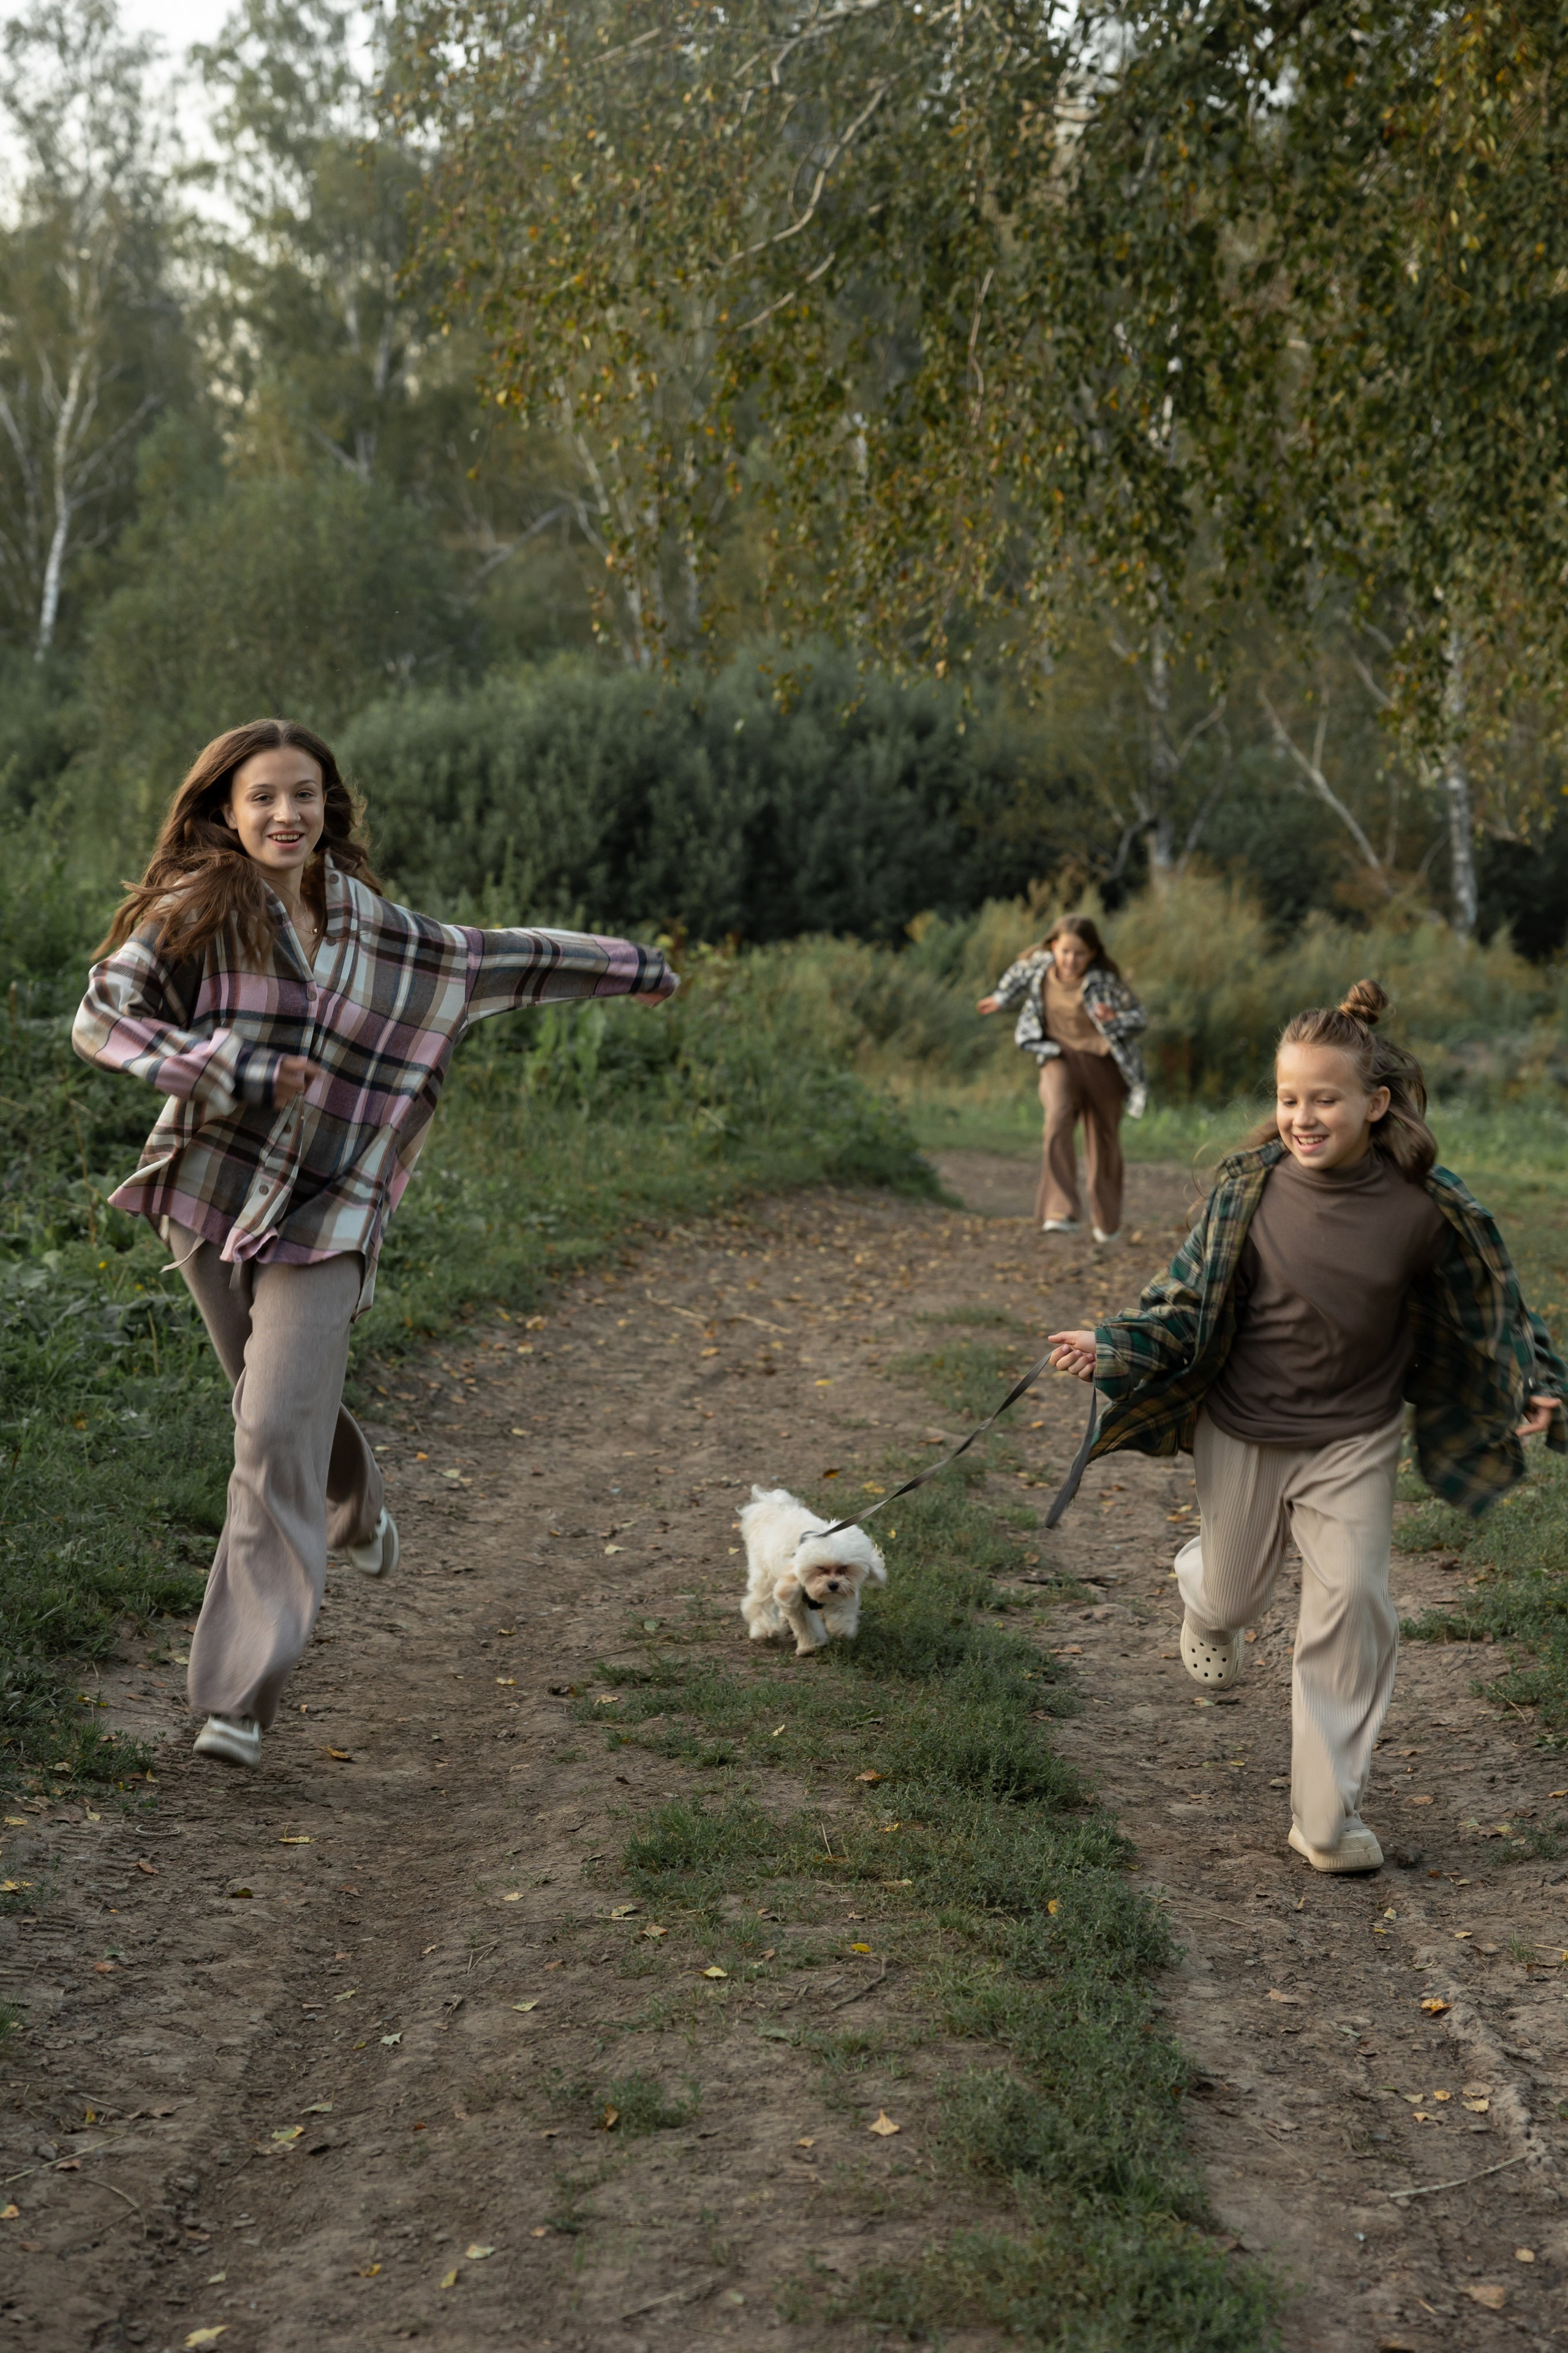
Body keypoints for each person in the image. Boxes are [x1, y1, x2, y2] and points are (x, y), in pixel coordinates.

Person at [73, 717, 677, 1773]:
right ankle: (354, 1506)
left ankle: (238, 1698)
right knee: (273, 1411)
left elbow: (503, 957)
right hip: (211, 1193)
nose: (284, 815)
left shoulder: (385, 935)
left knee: (268, 1427)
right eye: (261, 797)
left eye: (302, 794)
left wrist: (637, 967)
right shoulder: (195, 913)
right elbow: (101, 1017)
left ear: (329, 804)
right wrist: (227, 1068)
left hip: (334, 1207)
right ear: (226, 809)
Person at [1045, 981, 1564, 1875]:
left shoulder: (1428, 1207)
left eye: (1325, 1098)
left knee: (1355, 1601)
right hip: (1243, 1430)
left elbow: (1498, 1308)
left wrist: (1533, 1380)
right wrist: (1115, 1343)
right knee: (1234, 1600)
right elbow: (1181, 1297)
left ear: (1376, 1103)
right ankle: (1203, 1586)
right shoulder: (1250, 1191)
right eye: (1290, 1099)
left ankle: (1324, 1820)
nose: (1304, 1116)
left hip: (1353, 1439)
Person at [976, 913, 1148, 1244]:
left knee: (1103, 1141)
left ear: (1093, 953)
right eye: (1066, 951)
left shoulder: (1104, 982)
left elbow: (1139, 1018)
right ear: (1053, 946)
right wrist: (1000, 999)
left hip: (1103, 1064)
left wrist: (1116, 1019)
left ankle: (1106, 1223)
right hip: (1058, 1057)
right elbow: (1014, 979)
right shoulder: (1039, 968)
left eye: (1080, 953)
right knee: (1057, 1117)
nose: (1071, 960)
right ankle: (1061, 1211)